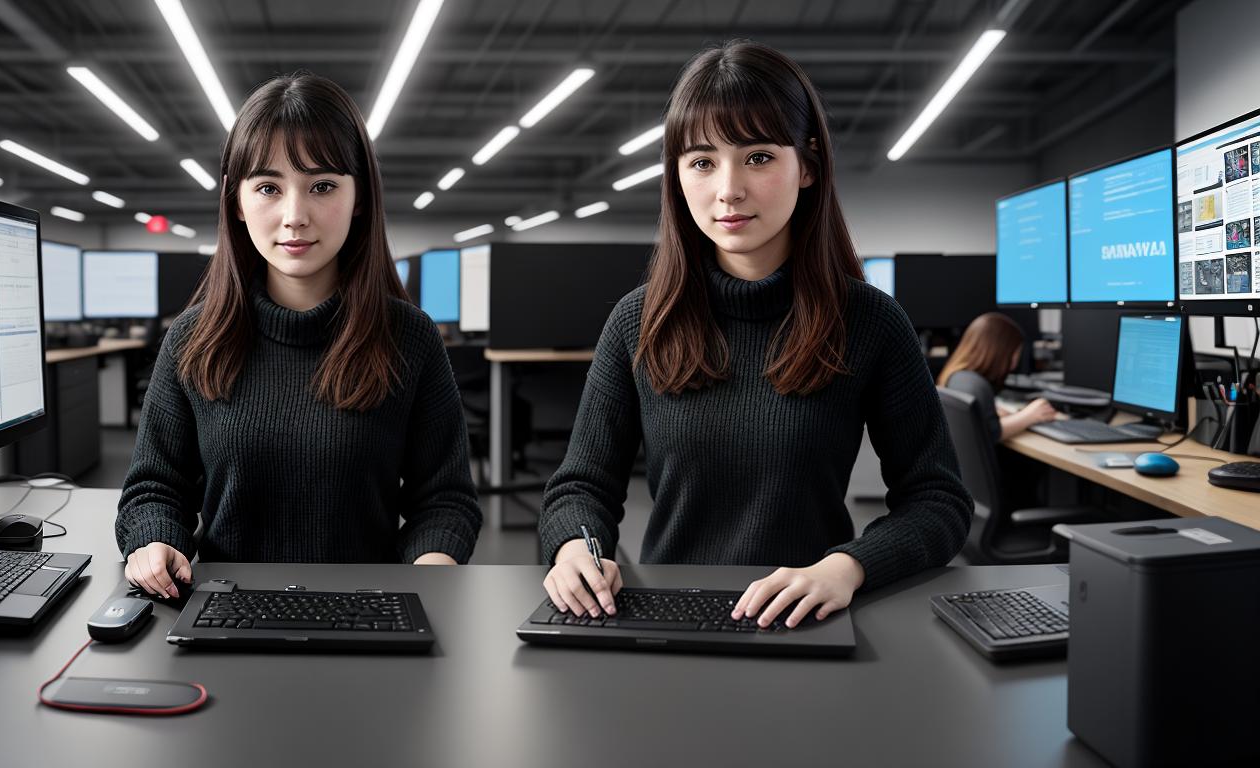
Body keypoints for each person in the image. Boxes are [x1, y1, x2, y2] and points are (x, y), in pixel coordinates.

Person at [537, 41, 972, 629]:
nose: (728, 189)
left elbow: (937, 502)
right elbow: (582, 484)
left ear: (808, 166)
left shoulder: (870, 323)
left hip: (808, 614)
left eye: (759, 157)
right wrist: (576, 549)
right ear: (677, 176)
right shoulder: (640, 321)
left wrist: (846, 566)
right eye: (702, 161)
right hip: (669, 615)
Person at [117, 72, 481, 599]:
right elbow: (154, 489)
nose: (294, 216)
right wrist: (154, 541)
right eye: (268, 187)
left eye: (323, 186)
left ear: (360, 199)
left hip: (369, 611)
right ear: (237, 202)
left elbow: (444, 500)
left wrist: (429, 569)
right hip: (224, 610)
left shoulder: (409, 338)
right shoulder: (193, 340)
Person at [937, 312, 1059, 442]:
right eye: (1016, 353)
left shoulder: (956, 376)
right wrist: (1030, 415)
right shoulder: (977, 385)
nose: (1014, 364)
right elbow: (991, 433)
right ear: (1001, 352)